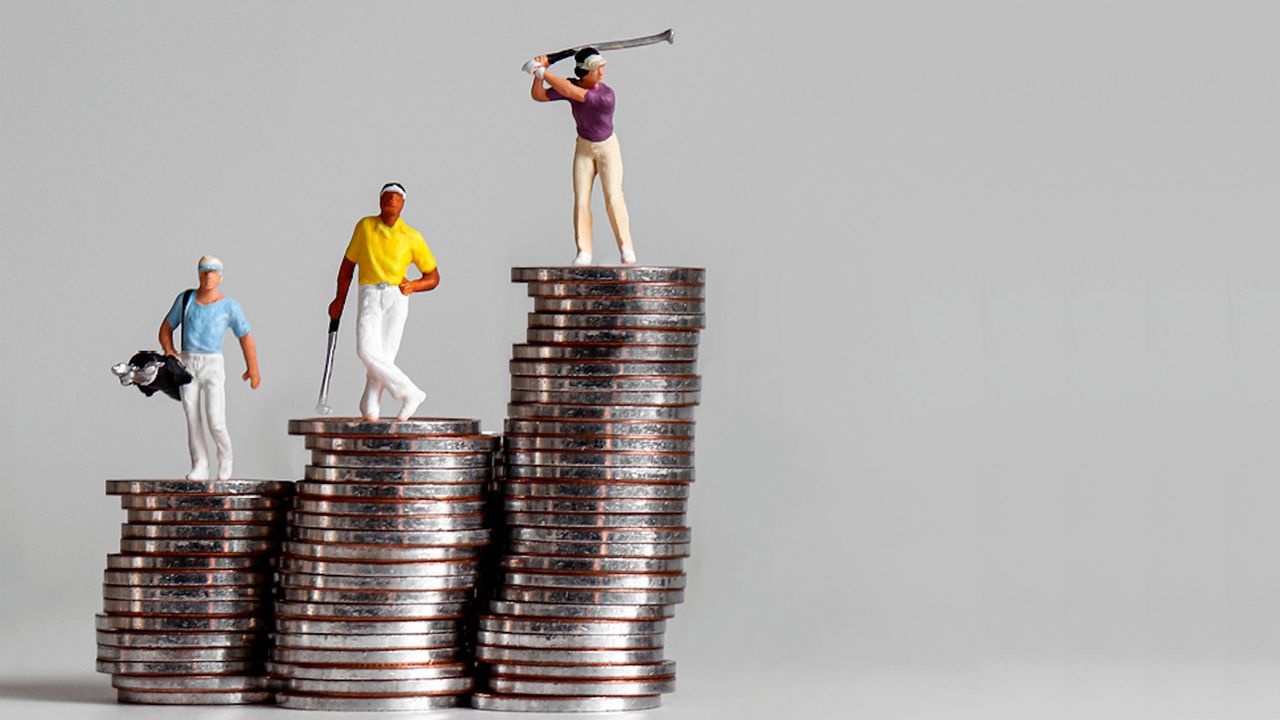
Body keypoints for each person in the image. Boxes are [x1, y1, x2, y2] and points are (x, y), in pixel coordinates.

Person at [328, 183, 438, 420]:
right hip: (369, 293)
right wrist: (339, 299)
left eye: (396, 198)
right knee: (367, 350)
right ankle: (409, 392)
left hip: (397, 297)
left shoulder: (411, 237)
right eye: (387, 197)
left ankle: (369, 407)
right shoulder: (365, 227)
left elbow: (433, 277)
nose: (391, 201)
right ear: (379, 201)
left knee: (384, 357)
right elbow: (347, 268)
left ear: (403, 204)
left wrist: (414, 285)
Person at [530, 47, 637, 266]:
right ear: (584, 73)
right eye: (596, 69)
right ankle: (584, 252)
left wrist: (542, 72)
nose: (602, 72)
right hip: (584, 148)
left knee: (614, 197)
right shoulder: (571, 85)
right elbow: (538, 95)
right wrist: (539, 73)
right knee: (581, 200)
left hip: (608, 149)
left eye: (601, 67)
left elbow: (575, 94)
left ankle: (627, 249)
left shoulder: (605, 96)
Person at [158, 256, 259, 480]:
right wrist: (170, 350)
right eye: (204, 271)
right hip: (188, 364)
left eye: (213, 271)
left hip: (213, 364)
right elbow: (166, 328)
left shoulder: (229, 306)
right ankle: (200, 464)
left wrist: (253, 368)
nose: (208, 276)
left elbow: (245, 337)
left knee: (216, 419)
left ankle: (226, 457)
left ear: (221, 276)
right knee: (192, 416)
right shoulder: (186, 300)